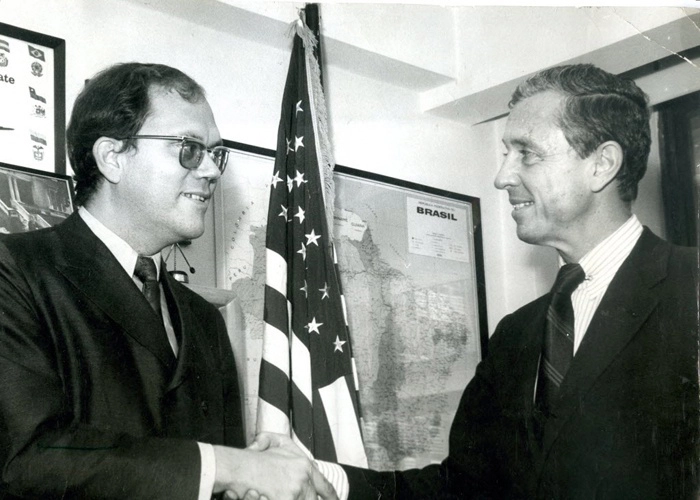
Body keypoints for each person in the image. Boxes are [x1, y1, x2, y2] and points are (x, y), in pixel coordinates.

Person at [256, 64, 699, 499]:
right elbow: (463, 487)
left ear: (601, 164)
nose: (503, 176)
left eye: (527, 152)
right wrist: (326, 479)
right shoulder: (517, 334)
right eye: (507, 153)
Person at [0, 62, 336, 500]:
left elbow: (221, 477)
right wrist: (231, 466)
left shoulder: (205, 320)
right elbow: (26, 459)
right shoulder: (15, 272)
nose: (213, 171)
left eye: (216, 153)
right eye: (189, 148)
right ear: (112, 157)